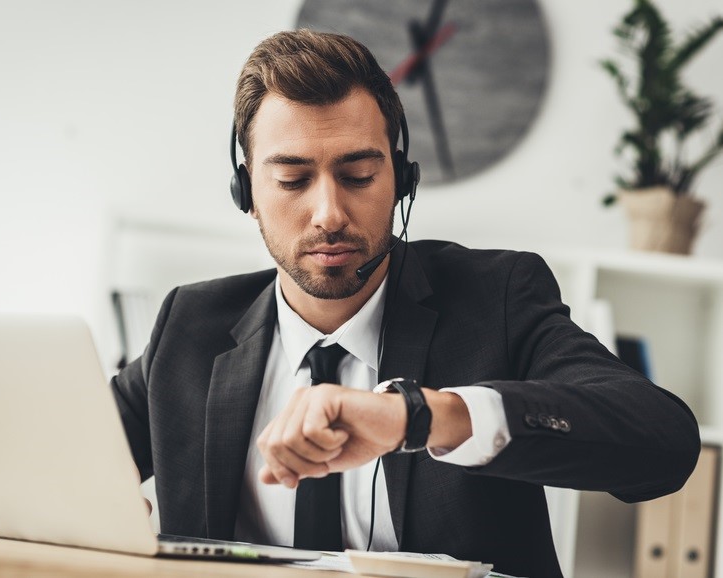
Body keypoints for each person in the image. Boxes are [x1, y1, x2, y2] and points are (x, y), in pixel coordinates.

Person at [111, 29, 700, 577]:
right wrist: (97, 511)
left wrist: (423, 415)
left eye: (360, 175)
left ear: (402, 178)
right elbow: (54, 461)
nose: (329, 215)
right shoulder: (189, 327)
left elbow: (664, 444)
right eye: (292, 180)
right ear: (247, 194)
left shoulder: (497, 298)